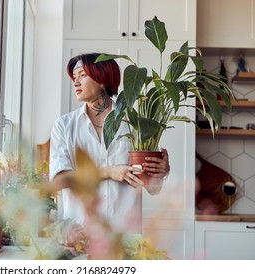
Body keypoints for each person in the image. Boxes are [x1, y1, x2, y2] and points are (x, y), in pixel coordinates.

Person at [49, 53, 170, 234]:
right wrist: (108, 172)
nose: (76, 82)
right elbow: (59, 180)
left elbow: (153, 189)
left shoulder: (136, 124)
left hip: (125, 237)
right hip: (79, 234)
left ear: (102, 80)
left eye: (82, 75)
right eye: (75, 77)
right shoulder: (64, 126)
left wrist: (161, 172)